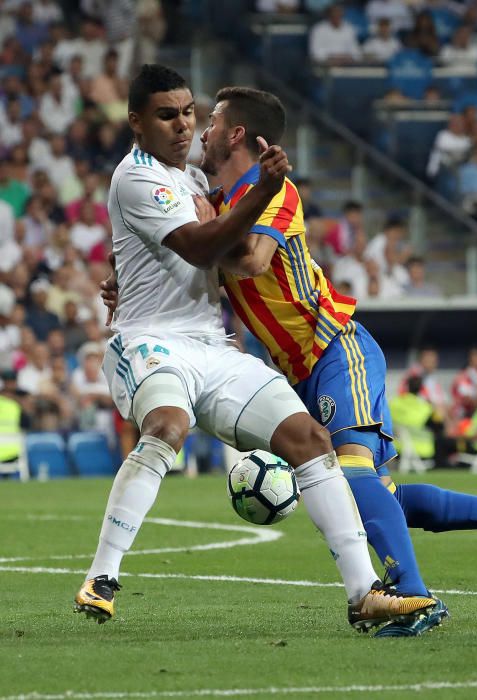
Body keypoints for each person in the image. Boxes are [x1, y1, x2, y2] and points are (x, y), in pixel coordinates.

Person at [103, 85, 477, 636]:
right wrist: (128, 286)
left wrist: (206, 230)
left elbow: (251, 261)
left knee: (349, 473)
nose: (199, 130)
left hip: (333, 345)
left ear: (235, 135)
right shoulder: (214, 202)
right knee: (367, 493)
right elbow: (189, 269)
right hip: (296, 371)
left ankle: (416, 597)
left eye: (212, 121)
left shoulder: (272, 191)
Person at [75, 64, 429, 633]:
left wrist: (120, 269)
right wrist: (264, 188)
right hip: (150, 343)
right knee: (168, 423)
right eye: (168, 115)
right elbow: (199, 247)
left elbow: (170, 242)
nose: (185, 125)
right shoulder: (136, 176)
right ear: (137, 123)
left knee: (310, 440)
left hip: (212, 345)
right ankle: (103, 575)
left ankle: (364, 593)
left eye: (190, 112)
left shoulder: (192, 177)